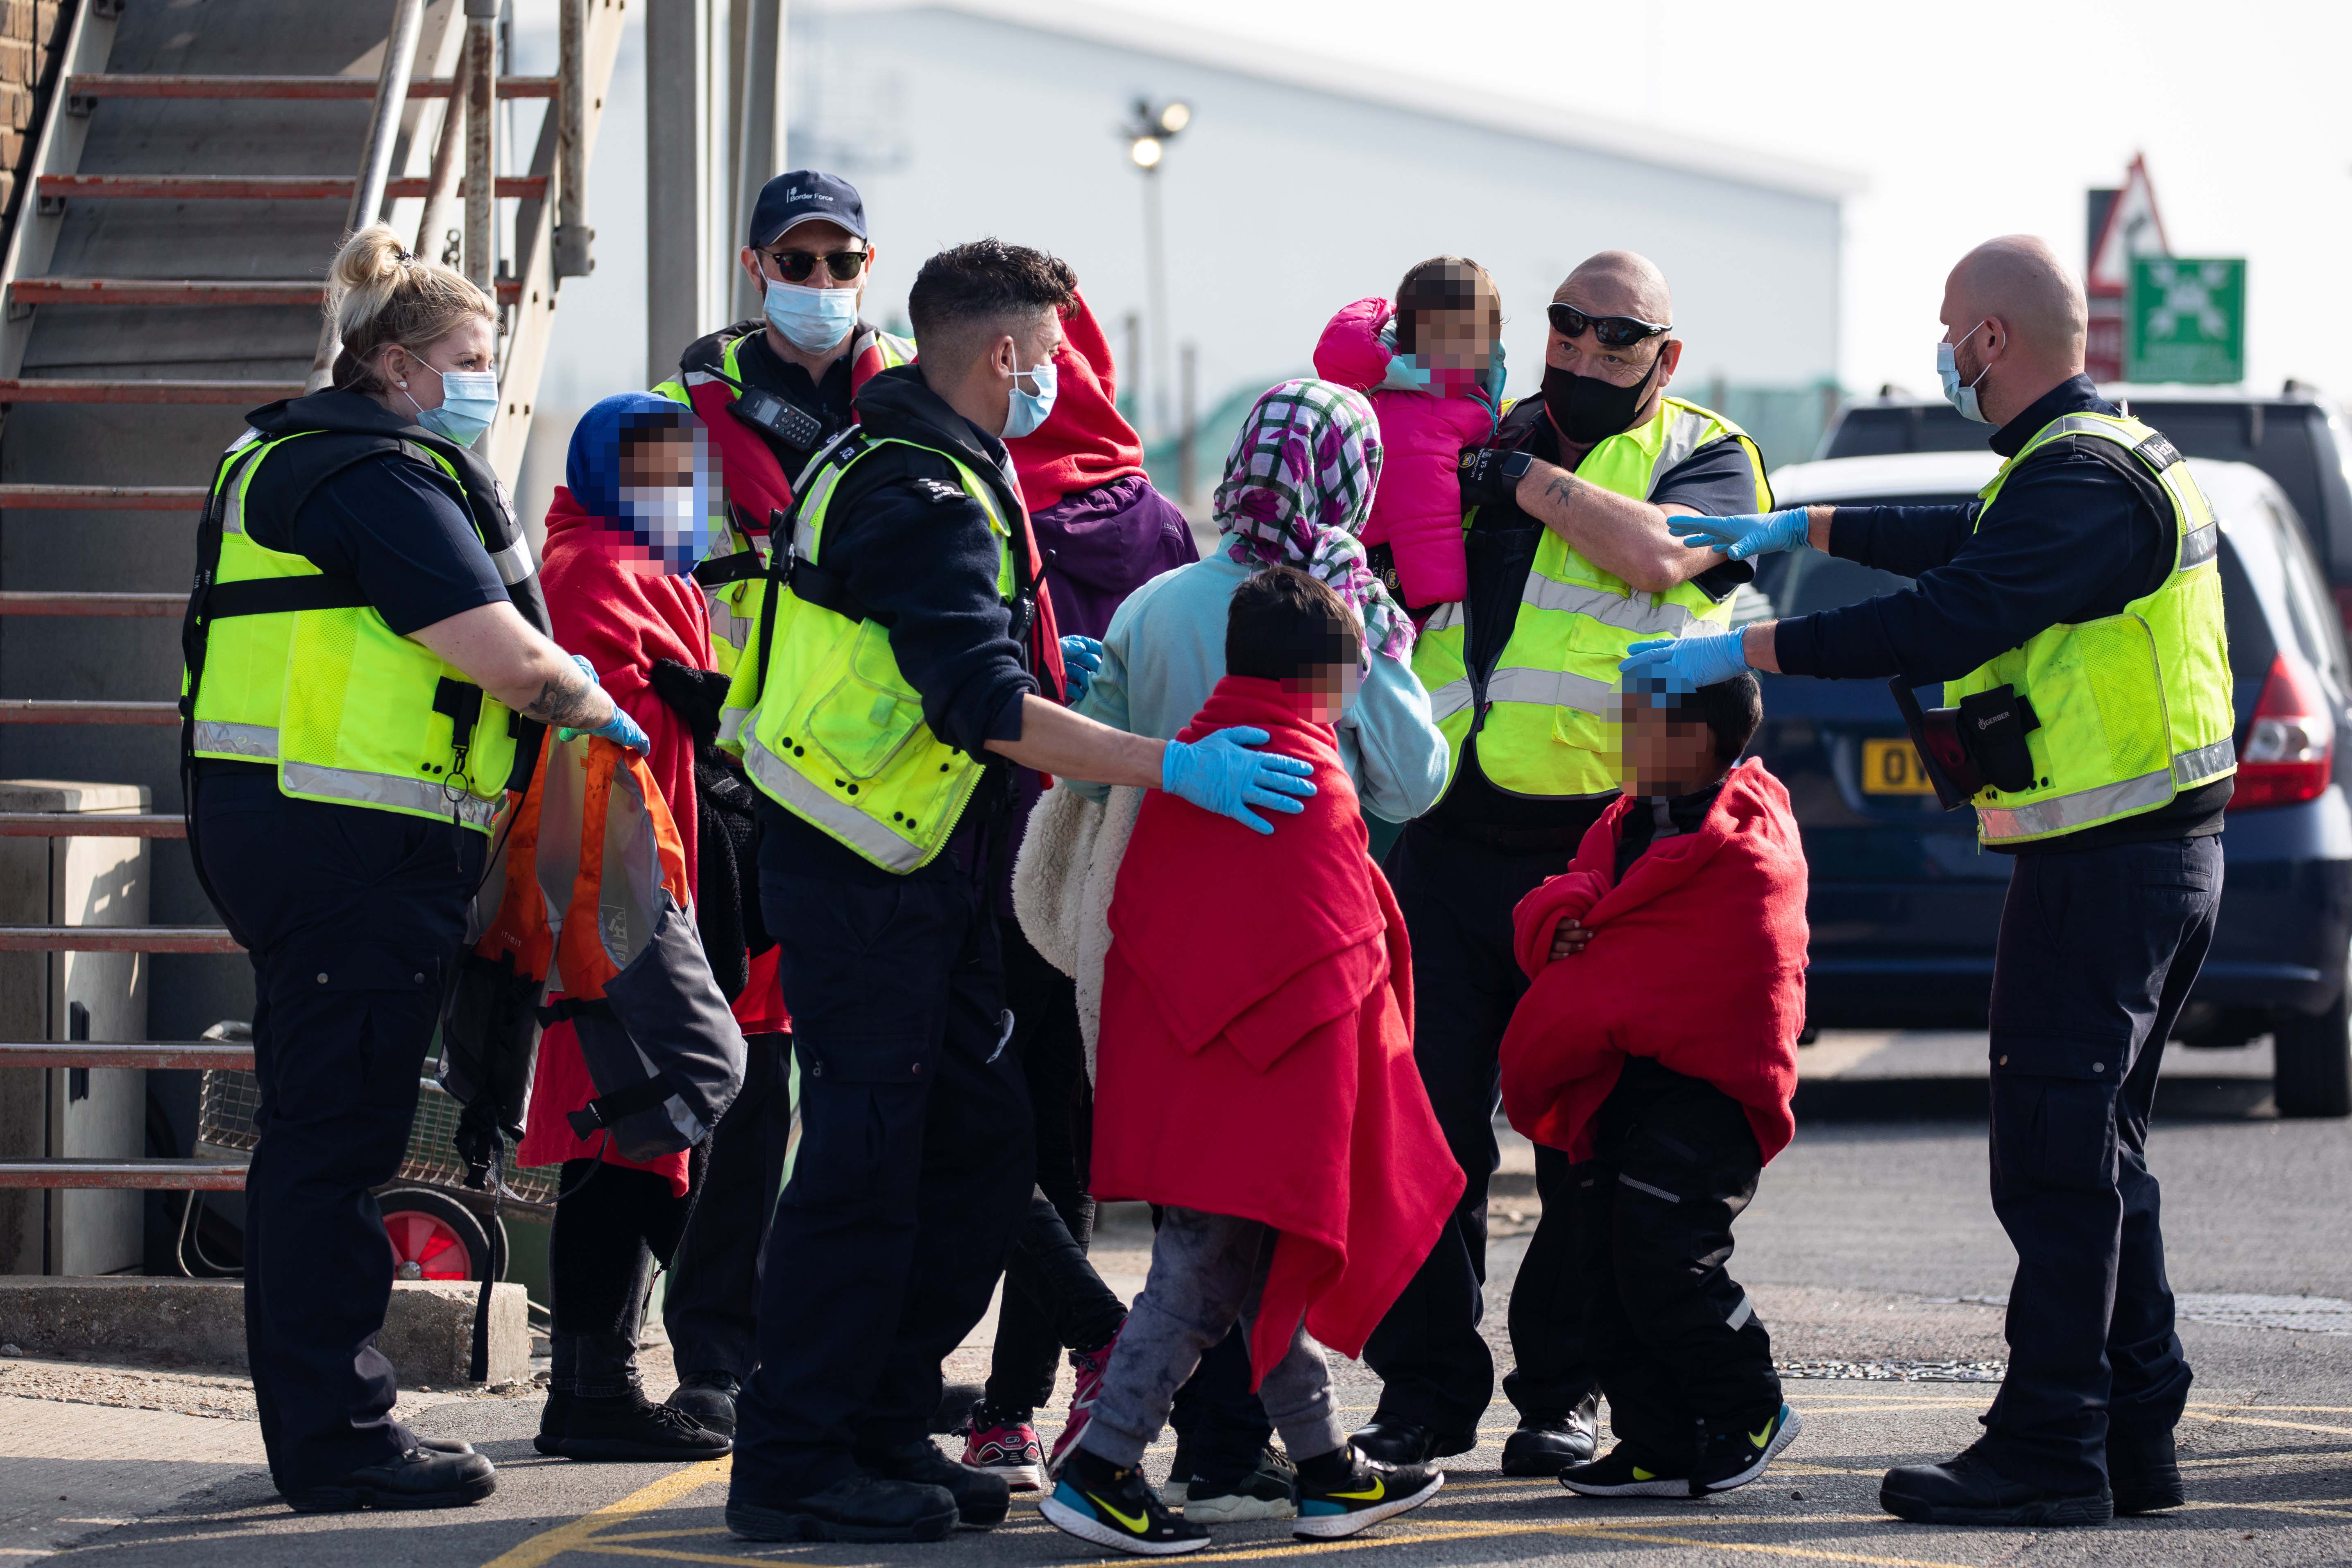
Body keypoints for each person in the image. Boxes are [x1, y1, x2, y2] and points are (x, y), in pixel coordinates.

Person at [714, 239, 1321, 1546]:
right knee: (867, 1168)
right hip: (871, 865)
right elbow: (983, 707)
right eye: (1049, 354)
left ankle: (878, 1420)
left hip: (920, 867)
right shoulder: (919, 490)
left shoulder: (927, 461)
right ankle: (795, 1456)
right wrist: (1173, 767)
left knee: (981, 1148)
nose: (1059, 376)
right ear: (1003, 353)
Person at [1635, 235, 2233, 1527]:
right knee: (2103, 1156)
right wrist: (1806, 525)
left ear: (1993, 342)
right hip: (2137, 859)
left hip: (2109, 866)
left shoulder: (2077, 486)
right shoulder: (2096, 465)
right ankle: (2133, 1432)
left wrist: (1751, 645)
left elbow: (1954, 612)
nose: (1944, 346)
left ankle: (2051, 1449)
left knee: (2056, 1165)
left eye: (1951, 326)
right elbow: (1967, 535)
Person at [181, 225, 646, 1512]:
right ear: (395, 364)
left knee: (319, 1139)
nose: (488, 381)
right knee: (335, 1146)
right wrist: (590, 698)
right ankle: (341, 1438)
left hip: (315, 839)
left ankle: (323, 1423)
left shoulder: (305, 452)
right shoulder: (367, 472)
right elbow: (502, 654)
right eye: (470, 358)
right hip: (341, 849)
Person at [1358, 249, 1773, 1476]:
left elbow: (1663, 560)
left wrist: (1520, 478)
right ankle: (1425, 1394)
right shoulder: (1475, 432)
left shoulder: (1712, 454)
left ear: (1666, 356)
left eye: (1618, 337)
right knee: (1427, 1138)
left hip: (1603, 862)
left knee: (1586, 1144)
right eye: (1569, 328)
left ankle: (1563, 1392)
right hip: (1443, 843)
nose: (1586, 353)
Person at [1054, 375, 1446, 1519]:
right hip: (1270, 1045)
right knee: (1217, 1258)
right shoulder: (1345, 624)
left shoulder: (1159, 606)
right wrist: (1386, 660)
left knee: (1234, 1255)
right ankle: (1102, 1460)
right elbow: (1399, 812)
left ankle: (1321, 1467)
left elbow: (1095, 774)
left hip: (1167, 998)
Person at [649, 166, 900, 1436]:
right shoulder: (670, 417)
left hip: (892, 779)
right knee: (748, 1086)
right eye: (796, 263)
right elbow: (649, 592)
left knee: (880, 1084)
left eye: (840, 263)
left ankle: (874, 1356)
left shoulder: (919, 400)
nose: (819, 286)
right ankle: (715, 1355)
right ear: (755, 269)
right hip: (740, 777)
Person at [958, 288, 1199, 1490]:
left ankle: (1014, 1400)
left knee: (1000, 1137)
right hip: (1113, 869)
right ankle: (1097, 1400)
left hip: (984, 861)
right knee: (1105, 1148)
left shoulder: (973, 496)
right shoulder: (1157, 524)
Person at [518, 393, 769, 1463]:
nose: (688, 494)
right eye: (663, 472)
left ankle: (593, 1388)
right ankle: (629, 1383)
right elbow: (593, 757)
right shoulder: (589, 573)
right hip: (615, 900)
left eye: (691, 473)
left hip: (636, 897)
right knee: (639, 1130)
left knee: (625, 1135)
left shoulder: (636, 574)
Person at [1497, 676, 1805, 1499]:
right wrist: (1565, 923)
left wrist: (1594, 943)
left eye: (1638, 724)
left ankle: (1752, 1406)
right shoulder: (1622, 820)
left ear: (1698, 739)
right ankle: (1659, 1438)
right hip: (1620, 1077)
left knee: (1668, 1253)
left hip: (1710, 1084)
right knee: (1598, 1254)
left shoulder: (1749, 838)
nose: (1620, 735)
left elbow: (1720, 952)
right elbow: (1580, 900)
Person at [1311, 256, 1505, 607]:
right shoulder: (1416, 414)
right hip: (1382, 586)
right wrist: (1440, 605)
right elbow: (1425, 524)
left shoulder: (1421, 385)